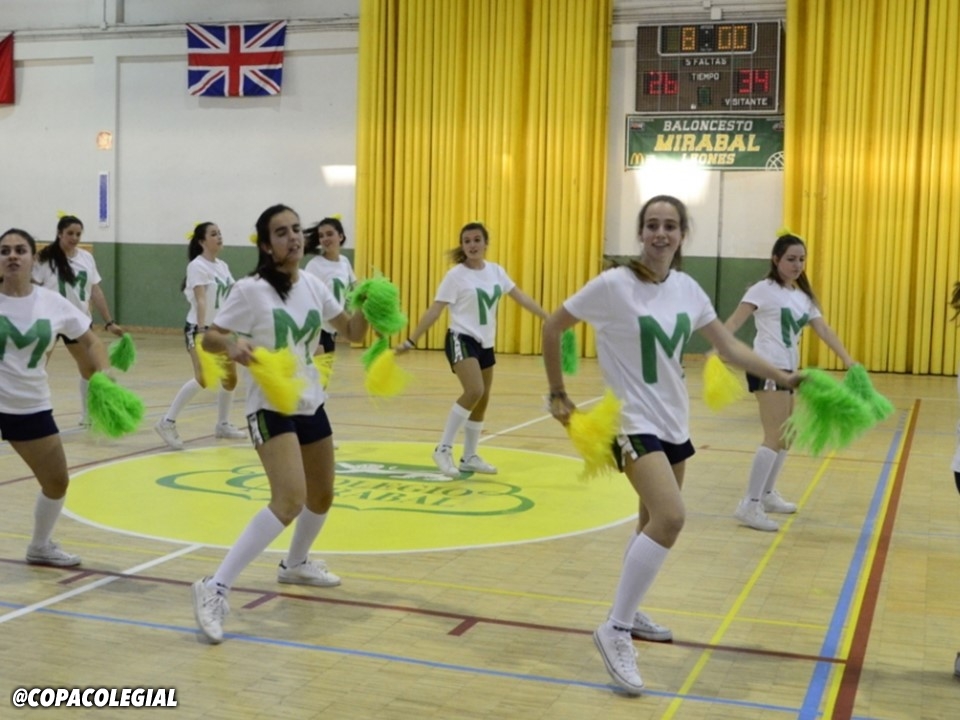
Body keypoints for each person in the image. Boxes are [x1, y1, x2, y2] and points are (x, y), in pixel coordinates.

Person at [541, 195, 801, 695]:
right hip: (630, 422)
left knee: (648, 525)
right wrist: (558, 393)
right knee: (672, 517)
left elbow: (728, 346)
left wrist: (784, 376)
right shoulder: (615, 284)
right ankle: (615, 629)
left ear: (682, 235)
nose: (661, 233)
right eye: (652, 225)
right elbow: (553, 325)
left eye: (671, 226)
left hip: (674, 422)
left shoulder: (686, 288)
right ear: (641, 232)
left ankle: (629, 609)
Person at [190, 204, 369, 644]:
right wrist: (233, 346)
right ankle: (215, 586)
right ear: (267, 245)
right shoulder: (250, 290)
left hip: (311, 401)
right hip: (269, 407)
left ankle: (295, 564)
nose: (293, 238)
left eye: (296, 230)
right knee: (289, 500)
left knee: (321, 496)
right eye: (281, 232)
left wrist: (371, 304)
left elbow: (353, 332)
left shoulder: (313, 284)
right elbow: (210, 336)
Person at [723, 232, 856, 532]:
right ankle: (749, 504)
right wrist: (720, 344)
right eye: (791, 259)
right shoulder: (762, 289)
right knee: (774, 435)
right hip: (767, 367)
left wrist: (848, 359)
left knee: (788, 434)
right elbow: (734, 321)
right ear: (776, 259)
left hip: (790, 370)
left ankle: (767, 494)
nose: (797, 265)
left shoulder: (802, 296)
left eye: (801, 259)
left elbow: (824, 330)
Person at [396, 222, 548, 478]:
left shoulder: (496, 271)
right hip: (461, 338)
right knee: (474, 390)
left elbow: (521, 297)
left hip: (485, 343)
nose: (472, 245)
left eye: (477, 240)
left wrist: (547, 317)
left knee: (482, 398)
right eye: (467, 241)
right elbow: (435, 310)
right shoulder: (455, 276)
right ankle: (442, 449)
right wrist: (411, 341)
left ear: (486, 243)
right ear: (462, 246)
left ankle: (469, 456)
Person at [0, 228, 110, 566]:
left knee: (57, 482)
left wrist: (104, 373)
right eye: (5, 251)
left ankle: (40, 546)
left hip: (30, 405)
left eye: (20, 250)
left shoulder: (51, 302)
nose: (12, 256)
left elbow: (92, 341)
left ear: (33, 258)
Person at [154, 222, 245, 450]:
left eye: (220, 233)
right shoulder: (197, 266)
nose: (219, 236)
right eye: (214, 234)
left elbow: (231, 296)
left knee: (230, 379)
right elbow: (201, 299)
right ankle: (167, 422)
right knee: (203, 377)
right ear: (202, 241)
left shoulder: (222, 266)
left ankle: (222, 424)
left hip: (221, 329)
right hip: (199, 329)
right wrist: (204, 330)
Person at [33, 215, 124, 427]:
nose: (74, 238)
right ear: (59, 233)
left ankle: (87, 415)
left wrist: (109, 321)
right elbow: (32, 290)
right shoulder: (44, 259)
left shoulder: (86, 258)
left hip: (78, 321)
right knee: (35, 368)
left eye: (78, 234)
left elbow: (95, 290)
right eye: (70, 233)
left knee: (89, 369)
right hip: (48, 321)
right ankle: (28, 413)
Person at [303, 217, 357, 357]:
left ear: (341, 236)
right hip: (315, 329)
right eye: (321, 236)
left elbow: (356, 289)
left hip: (332, 330)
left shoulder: (344, 262)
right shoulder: (314, 265)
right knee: (318, 369)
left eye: (329, 234)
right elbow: (305, 300)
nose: (325, 239)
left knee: (326, 371)